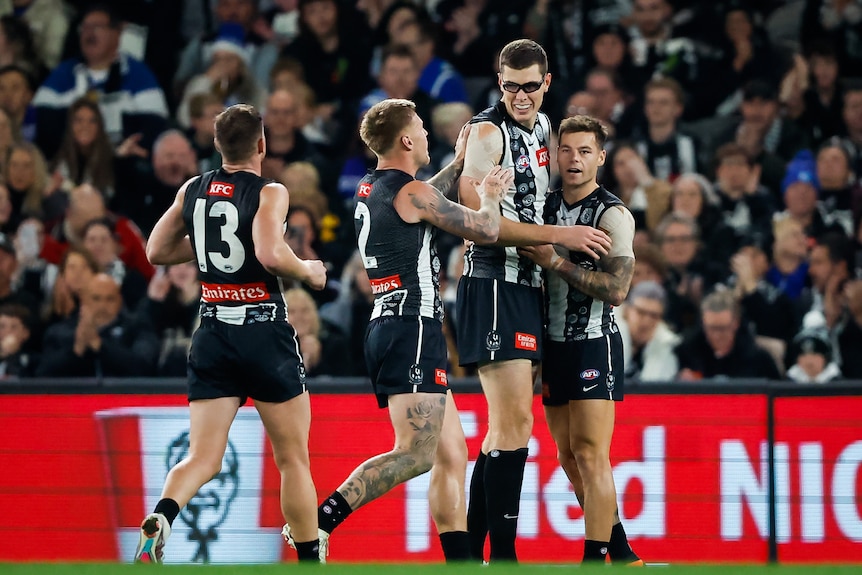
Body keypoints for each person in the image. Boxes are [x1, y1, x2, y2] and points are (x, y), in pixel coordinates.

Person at [283, 97, 511, 563]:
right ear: (407, 139)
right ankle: (318, 522)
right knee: (416, 453)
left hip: (390, 324)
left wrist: (460, 162)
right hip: (415, 327)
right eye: (422, 128)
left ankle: (461, 561)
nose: (428, 133)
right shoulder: (412, 194)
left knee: (451, 454)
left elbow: (426, 198)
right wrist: (489, 192)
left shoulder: (375, 186)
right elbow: (485, 229)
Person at [133, 103, 328, 564]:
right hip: (263, 331)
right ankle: (307, 559)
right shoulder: (270, 192)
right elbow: (270, 253)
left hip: (213, 329)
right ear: (262, 144)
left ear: (217, 145)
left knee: (202, 458)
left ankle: (162, 515)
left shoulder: (192, 189)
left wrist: (202, 250)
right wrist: (310, 272)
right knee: (292, 459)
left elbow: (156, 250)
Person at [454, 39, 615, 563]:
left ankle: (470, 552)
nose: (519, 97)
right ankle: (502, 554)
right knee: (513, 424)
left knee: (505, 429)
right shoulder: (486, 133)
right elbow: (476, 222)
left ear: (547, 84)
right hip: (493, 281)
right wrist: (559, 237)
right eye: (509, 87)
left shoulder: (546, 129)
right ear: (497, 83)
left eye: (529, 87)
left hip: (526, 286)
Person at [519, 114, 642, 564]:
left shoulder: (612, 214)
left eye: (585, 151)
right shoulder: (544, 208)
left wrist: (558, 262)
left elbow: (618, 290)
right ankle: (623, 551)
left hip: (592, 341)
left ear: (601, 158)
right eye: (566, 150)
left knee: (592, 454)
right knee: (568, 456)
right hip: (552, 347)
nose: (574, 160)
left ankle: (594, 559)